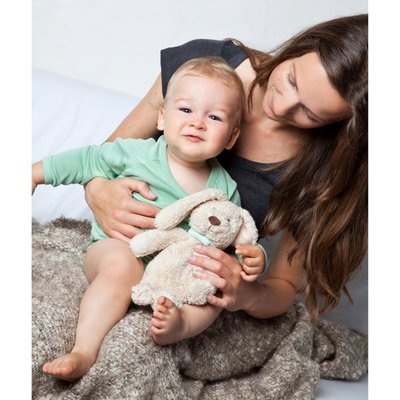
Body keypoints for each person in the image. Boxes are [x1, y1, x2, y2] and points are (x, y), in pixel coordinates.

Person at [84, 14, 368, 323]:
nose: (281, 107)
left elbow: (282, 287)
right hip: (120, 253)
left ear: (340, 124)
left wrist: (246, 294)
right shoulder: (208, 65)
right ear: (301, 47)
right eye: (291, 80)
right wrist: (98, 192)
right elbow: (101, 158)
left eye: (310, 114)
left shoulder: (323, 170)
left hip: (193, 294)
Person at [31, 57, 267, 381]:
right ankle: (83, 351)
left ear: (230, 137)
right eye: (186, 110)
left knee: (213, 290)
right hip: (120, 246)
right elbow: (86, 160)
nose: (198, 123)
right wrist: (35, 174)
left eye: (214, 117)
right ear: (162, 117)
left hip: (174, 272)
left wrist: (254, 258)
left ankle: (181, 324)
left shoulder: (224, 188)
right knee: (121, 266)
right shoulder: (137, 153)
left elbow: (235, 235)